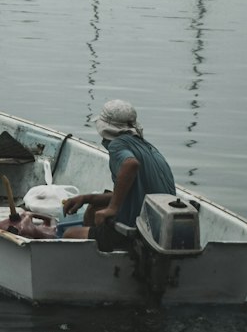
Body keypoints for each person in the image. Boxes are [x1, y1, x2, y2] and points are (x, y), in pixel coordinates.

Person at [59, 99, 175, 246]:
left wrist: (112, 209)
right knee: (94, 208)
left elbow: (130, 164)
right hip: (160, 231)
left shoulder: (117, 145)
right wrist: (86, 198)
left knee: (69, 235)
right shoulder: (150, 149)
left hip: (136, 233)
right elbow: (131, 194)